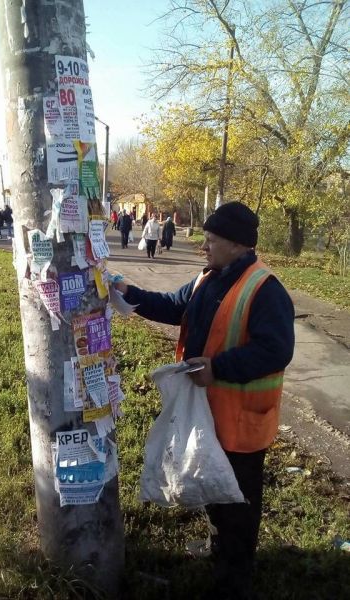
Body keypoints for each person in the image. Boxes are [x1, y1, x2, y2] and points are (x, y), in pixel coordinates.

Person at [115, 201, 295, 600]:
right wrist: (130, 293)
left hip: (242, 423)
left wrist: (218, 368)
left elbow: (275, 350)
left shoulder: (265, 289)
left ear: (237, 244)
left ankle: (235, 579)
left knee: (238, 505)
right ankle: (221, 556)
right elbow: (175, 307)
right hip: (209, 415)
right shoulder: (207, 278)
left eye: (211, 240)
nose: (204, 247)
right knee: (216, 492)